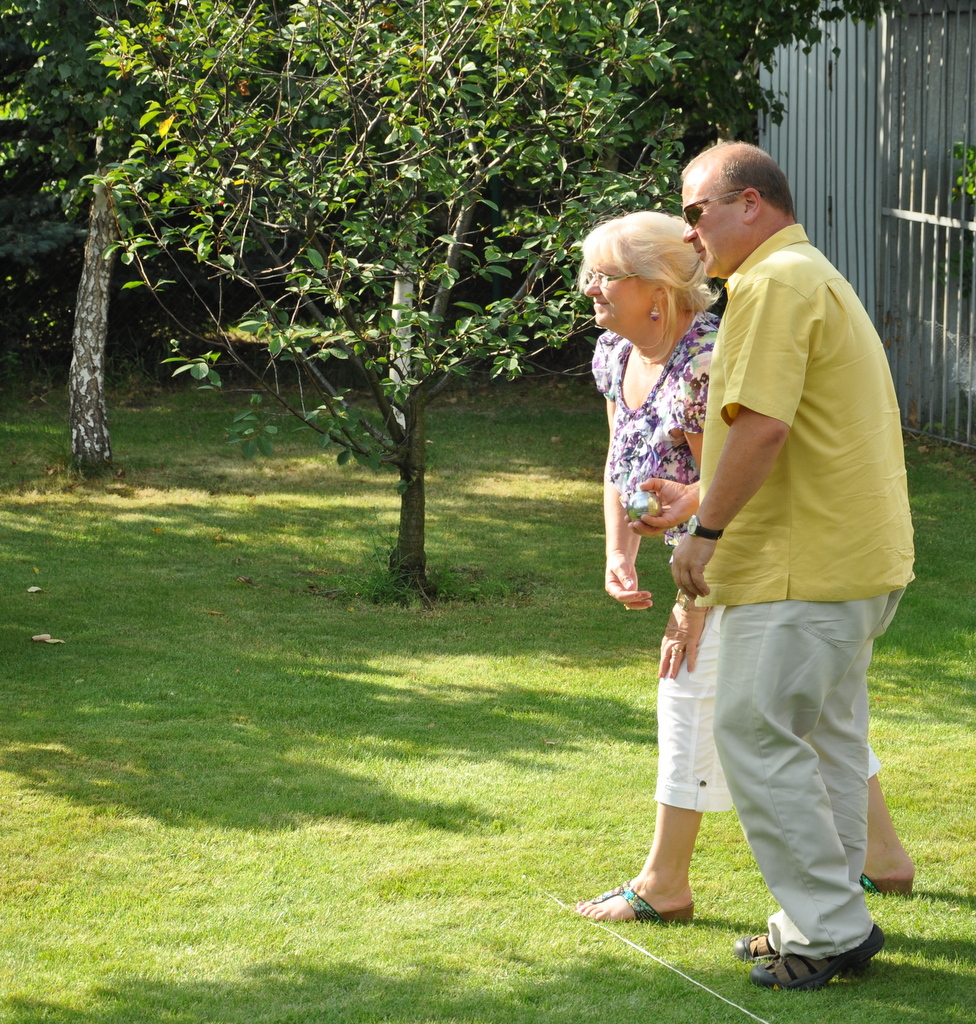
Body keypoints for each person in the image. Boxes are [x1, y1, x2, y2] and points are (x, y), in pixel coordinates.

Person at [573, 211, 915, 931]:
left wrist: (693, 601)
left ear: (657, 288)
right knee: (817, 714)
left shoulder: (706, 358)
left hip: (740, 554)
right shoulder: (614, 353)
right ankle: (882, 856)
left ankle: (665, 882)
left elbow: (728, 481)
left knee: (692, 696)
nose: (589, 289)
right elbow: (619, 460)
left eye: (604, 276)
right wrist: (619, 551)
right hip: (723, 551)